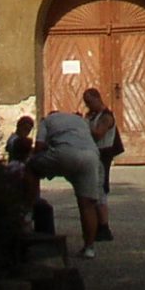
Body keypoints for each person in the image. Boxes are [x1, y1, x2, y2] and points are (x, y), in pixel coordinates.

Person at [26, 110, 106, 259]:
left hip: (64, 153)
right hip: (90, 156)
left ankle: (29, 209)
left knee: (31, 167)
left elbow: (39, 147)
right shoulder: (80, 121)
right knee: (87, 205)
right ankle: (89, 248)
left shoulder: (46, 121)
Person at [82, 87, 123, 241]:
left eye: (89, 102)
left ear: (97, 99)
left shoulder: (106, 117)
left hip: (103, 154)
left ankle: (104, 227)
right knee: (94, 189)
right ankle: (99, 224)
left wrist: (83, 127)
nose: (88, 105)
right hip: (94, 154)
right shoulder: (92, 116)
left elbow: (99, 134)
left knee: (100, 190)